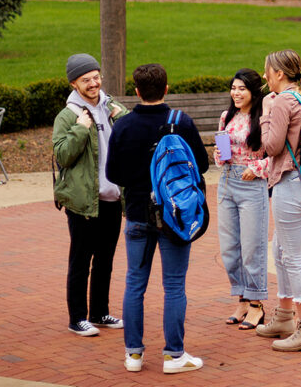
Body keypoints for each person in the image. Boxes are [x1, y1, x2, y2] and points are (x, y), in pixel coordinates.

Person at [105, 62, 209, 374]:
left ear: (136, 91)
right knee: (174, 285)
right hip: (175, 215)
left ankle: (133, 355)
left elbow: (113, 173)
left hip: (137, 213)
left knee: (135, 283)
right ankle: (174, 355)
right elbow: (201, 166)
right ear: (166, 88)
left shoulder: (123, 126)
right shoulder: (182, 123)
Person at [52, 53, 129, 338]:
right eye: (86, 80)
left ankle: (99, 312)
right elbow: (62, 155)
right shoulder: (68, 116)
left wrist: (119, 117)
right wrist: (80, 129)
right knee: (81, 260)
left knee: (105, 259)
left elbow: (129, 139)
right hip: (84, 200)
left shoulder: (113, 107)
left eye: (96, 77)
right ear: (74, 83)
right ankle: (77, 318)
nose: (94, 83)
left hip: (112, 198)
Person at [253, 49, 301, 352]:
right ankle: (284, 315)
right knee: (280, 248)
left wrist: (266, 114)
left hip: (289, 181)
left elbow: (270, 146)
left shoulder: (282, 100)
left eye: (267, 71)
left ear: (279, 74)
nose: (265, 75)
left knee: (293, 256)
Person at [215, 68, 270, 330]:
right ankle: (242, 299)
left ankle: (257, 305)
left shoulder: (264, 119)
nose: (236, 93)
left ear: (253, 92)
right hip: (226, 183)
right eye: (233, 88)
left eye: (242, 89)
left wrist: (256, 168)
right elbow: (222, 154)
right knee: (229, 250)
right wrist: (219, 154)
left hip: (252, 186)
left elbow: (278, 156)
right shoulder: (227, 116)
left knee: (251, 248)